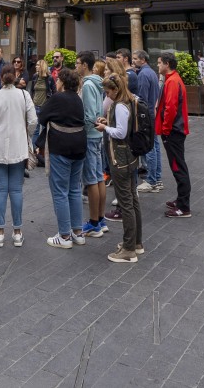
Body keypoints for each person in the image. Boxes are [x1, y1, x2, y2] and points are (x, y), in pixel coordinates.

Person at [0, 65, 37, 248]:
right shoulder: (24, 95)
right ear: (15, 76)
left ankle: (0, 232)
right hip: (18, 145)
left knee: (0, 189)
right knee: (16, 190)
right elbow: (33, 120)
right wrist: (26, 134)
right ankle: (18, 232)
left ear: (1, 78)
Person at [37, 67, 87, 248]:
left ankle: (64, 236)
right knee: (74, 189)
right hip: (79, 146)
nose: (55, 82)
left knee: (60, 191)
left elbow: (41, 117)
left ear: (63, 82)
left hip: (61, 146)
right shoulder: (78, 98)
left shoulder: (58, 98)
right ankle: (78, 232)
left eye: (58, 80)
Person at [96, 71, 142, 263]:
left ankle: (129, 249)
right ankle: (136, 243)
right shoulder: (130, 100)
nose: (107, 96)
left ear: (116, 90)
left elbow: (121, 132)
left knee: (126, 203)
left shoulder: (121, 106)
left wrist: (105, 128)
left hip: (121, 158)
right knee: (132, 199)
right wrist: (109, 122)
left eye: (108, 92)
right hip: (130, 157)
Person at [77, 52, 109, 237]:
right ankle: (101, 218)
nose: (76, 66)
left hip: (90, 134)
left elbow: (89, 113)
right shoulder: (98, 82)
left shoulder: (88, 85)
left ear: (85, 65)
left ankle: (94, 223)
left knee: (91, 180)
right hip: (98, 133)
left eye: (78, 63)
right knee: (98, 177)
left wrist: (86, 124)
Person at [157, 52, 192, 218]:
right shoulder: (173, 79)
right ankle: (180, 200)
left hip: (173, 131)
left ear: (167, 64)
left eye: (159, 63)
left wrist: (165, 129)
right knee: (178, 165)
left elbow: (170, 108)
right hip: (176, 130)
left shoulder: (172, 81)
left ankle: (184, 206)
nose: (158, 66)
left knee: (178, 167)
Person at [131, 50, 162, 193]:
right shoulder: (152, 73)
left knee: (149, 146)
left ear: (143, 60)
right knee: (154, 145)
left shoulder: (143, 74)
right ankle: (157, 177)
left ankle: (152, 180)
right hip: (152, 113)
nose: (134, 61)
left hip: (146, 114)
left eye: (135, 59)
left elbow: (141, 97)